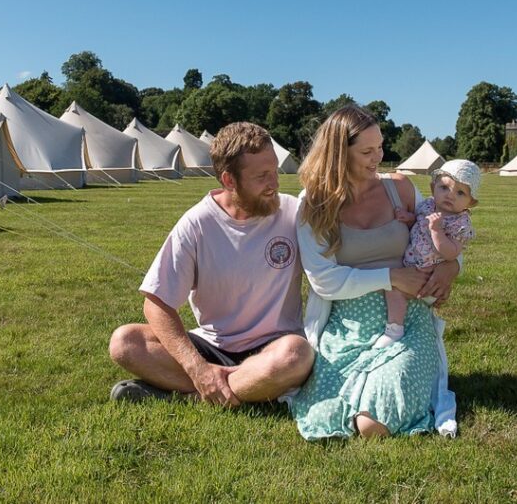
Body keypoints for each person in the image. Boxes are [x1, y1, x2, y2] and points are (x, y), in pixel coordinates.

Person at [108, 122, 314, 406]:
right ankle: (241, 389)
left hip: (275, 347)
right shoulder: (197, 224)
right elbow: (156, 302)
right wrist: (197, 367)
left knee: (296, 355)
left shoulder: (292, 213)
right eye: (262, 176)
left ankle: (192, 396)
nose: (275, 184)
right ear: (229, 180)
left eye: (275, 172)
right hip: (212, 347)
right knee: (125, 342)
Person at [289, 104, 459, 439]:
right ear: (338, 154)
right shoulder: (315, 204)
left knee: (371, 424)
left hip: (408, 320)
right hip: (346, 325)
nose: (377, 157)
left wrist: (452, 267)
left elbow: (442, 236)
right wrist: (391, 277)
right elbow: (324, 279)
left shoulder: (401, 189)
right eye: (366, 151)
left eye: (380, 147)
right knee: (334, 414)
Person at [375, 159, 480, 348]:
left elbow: (451, 253)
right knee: (393, 283)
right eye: (444, 188)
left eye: (460, 193)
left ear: (470, 203)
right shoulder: (428, 206)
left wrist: (437, 231)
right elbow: (419, 220)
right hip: (413, 264)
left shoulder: (459, 224)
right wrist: (409, 218)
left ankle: (394, 330)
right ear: (433, 189)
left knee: (394, 290)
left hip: (428, 275)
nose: (450, 196)